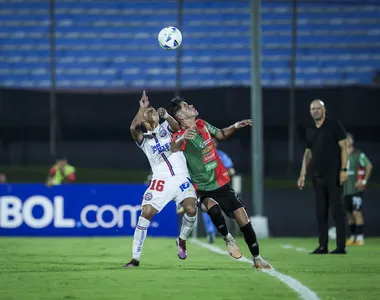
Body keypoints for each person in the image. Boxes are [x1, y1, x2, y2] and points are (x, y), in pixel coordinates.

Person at [168, 96, 272, 269]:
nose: (191, 105)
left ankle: (257, 259)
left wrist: (236, 125)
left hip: (221, 183)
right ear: (180, 117)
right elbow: (174, 147)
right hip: (201, 189)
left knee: (243, 220)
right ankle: (227, 238)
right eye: (185, 106)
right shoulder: (181, 135)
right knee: (213, 208)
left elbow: (222, 134)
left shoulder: (201, 124)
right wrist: (184, 136)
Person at [124, 91, 198, 268]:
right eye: (148, 112)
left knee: (191, 209)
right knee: (146, 214)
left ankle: (181, 240)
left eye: (152, 110)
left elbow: (175, 125)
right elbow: (133, 128)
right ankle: (135, 258)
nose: (151, 111)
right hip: (161, 181)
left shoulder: (166, 127)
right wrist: (142, 108)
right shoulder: (144, 139)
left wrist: (166, 115)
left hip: (181, 177)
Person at [297, 99, 348, 254]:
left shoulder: (334, 125)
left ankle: (340, 246)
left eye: (318, 108)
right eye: (313, 109)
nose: (315, 111)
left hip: (334, 175)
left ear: (324, 110)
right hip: (317, 176)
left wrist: (344, 170)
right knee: (321, 211)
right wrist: (302, 174)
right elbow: (308, 153)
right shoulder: (310, 129)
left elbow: (344, 148)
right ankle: (323, 245)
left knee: (337, 210)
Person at [202, 138, 236, 244]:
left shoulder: (221, 155)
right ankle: (211, 232)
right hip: (206, 186)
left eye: (212, 143)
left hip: (220, 186)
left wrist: (221, 178)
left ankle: (219, 231)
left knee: (217, 210)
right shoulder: (201, 155)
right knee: (208, 209)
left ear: (216, 144)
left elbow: (231, 171)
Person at [344, 133, 373, 246]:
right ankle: (352, 237)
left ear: (352, 141)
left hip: (356, 190)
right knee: (349, 214)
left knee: (357, 213)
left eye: (348, 139)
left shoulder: (358, 154)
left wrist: (363, 181)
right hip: (346, 189)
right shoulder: (343, 156)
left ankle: (360, 238)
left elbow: (369, 166)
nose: (347, 141)